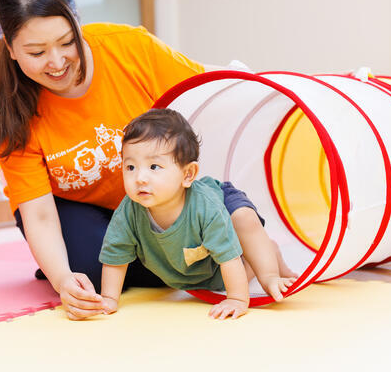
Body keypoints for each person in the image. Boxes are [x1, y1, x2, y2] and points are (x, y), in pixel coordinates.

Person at [0, 0, 283, 320]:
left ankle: (168, 253)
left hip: (146, 200)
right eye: (36, 52)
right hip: (69, 207)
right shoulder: (11, 110)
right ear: (9, 47)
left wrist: (276, 85)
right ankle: (81, 257)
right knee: (95, 272)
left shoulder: (128, 48)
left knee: (228, 224)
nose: (57, 61)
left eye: (67, 42)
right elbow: (39, 214)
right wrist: (63, 278)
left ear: (78, 23)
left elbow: (205, 83)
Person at [99, 109, 297, 320]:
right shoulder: (129, 211)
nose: (140, 178)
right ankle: (267, 251)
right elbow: (116, 255)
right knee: (223, 277)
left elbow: (228, 256)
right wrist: (109, 298)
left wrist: (237, 299)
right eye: (130, 167)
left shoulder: (206, 208)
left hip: (223, 202)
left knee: (243, 219)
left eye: (154, 166)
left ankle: (269, 272)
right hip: (203, 263)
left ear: (188, 174)